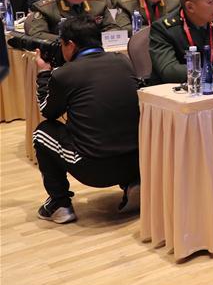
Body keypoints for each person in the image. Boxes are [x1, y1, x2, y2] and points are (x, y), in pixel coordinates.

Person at [32, 16, 141, 224]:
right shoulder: (123, 61)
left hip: (94, 170)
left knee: (43, 132)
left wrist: (44, 73)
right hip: (136, 162)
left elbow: (48, 111)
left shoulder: (65, 73)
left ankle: (59, 204)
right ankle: (133, 184)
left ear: (71, 45)